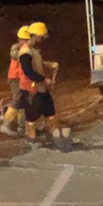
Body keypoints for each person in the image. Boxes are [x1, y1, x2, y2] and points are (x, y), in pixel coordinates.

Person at [19, 22, 70, 151]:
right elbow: (28, 71)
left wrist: (50, 65)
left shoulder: (34, 50)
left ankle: (52, 134)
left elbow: (39, 63)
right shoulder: (25, 52)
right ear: (35, 35)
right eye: (41, 37)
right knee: (32, 114)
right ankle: (30, 138)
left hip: (40, 87)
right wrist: (43, 79)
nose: (42, 40)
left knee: (49, 110)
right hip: (31, 89)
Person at [1, 26, 30, 136]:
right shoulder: (16, 48)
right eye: (25, 39)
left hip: (23, 77)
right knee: (17, 100)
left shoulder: (27, 49)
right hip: (15, 78)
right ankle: (6, 125)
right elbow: (18, 57)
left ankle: (21, 126)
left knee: (25, 101)